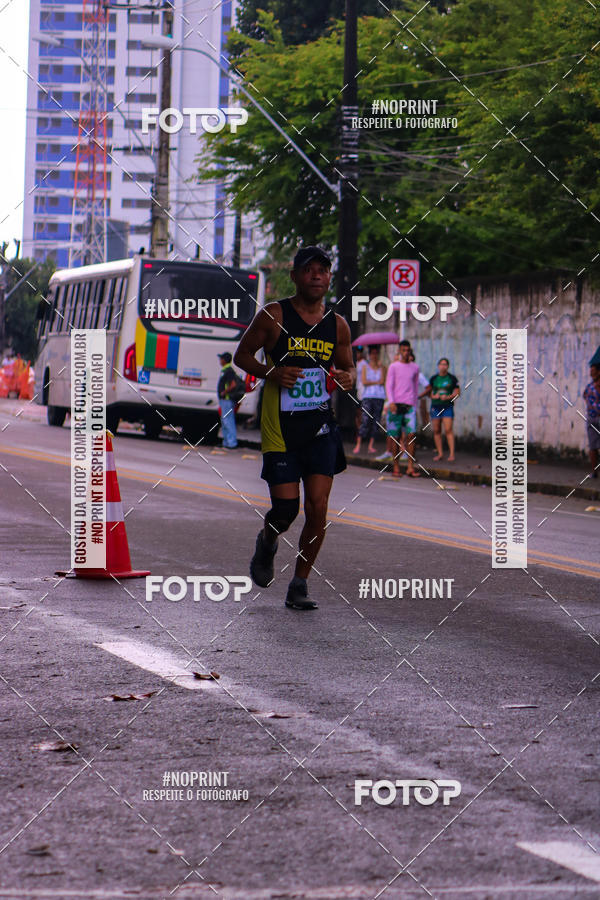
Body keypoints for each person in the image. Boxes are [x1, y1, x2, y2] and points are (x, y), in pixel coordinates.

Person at [234, 245, 355, 610]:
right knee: (286, 509)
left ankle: (299, 583)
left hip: (319, 427)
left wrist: (346, 378)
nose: (317, 275)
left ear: (329, 277)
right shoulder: (274, 315)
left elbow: (348, 369)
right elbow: (242, 355)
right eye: (309, 269)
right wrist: (273, 372)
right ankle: (268, 541)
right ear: (296, 276)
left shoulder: (337, 324)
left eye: (323, 270)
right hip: (280, 427)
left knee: (317, 508)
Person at [385, 340, 421, 477]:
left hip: (409, 406)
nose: (406, 353)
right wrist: (391, 402)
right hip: (396, 405)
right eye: (404, 350)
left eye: (408, 350)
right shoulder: (393, 366)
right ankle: (396, 467)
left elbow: (416, 386)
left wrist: (414, 404)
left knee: (411, 435)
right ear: (400, 351)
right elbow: (389, 385)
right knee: (395, 437)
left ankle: (410, 467)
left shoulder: (415, 367)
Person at [425, 357, 460, 462]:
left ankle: (452, 454)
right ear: (438, 366)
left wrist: (448, 397)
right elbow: (428, 392)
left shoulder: (452, 379)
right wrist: (433, 396)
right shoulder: (433, 379)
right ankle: (440, 453)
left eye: (445, 364)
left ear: (448, 366)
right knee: (437, 430)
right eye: (441, 364)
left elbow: (457, 393)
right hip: (436, 407)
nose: (443, 366)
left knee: (448, 429)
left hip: (447, 407)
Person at [353, 345, 386, 454]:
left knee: (376, 421)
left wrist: (374, 380)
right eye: (372, 353)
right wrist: (375, 382)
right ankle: (359, 444)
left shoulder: (382, 367)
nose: (374, 356)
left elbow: (382, 381)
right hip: (367, 396)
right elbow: (364, 381)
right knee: (365, 420)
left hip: (379, 396)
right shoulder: (365, 367)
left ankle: (371, 445)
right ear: (370, 355)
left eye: (376, 353)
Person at [216, 351, 240, 449]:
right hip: (224, 400)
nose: (220, 360)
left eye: (221, 358)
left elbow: (233, 384)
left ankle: (231, 443)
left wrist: (224, 392)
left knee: (228, 420)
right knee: (225, 420)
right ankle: (226, 442)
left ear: (224, 360)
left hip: (227, 399)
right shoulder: (225, 370)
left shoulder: (229, 371)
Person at [583, 363, 600, 478]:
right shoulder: (590, 386)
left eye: (593, 371)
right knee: (593, 447)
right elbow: (585, 396)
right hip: (591, 418)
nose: (591, 373)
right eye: (591, 371)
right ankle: (594, 472)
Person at [353, 346, 367, 446]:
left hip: (362, 391)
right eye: (357, 352)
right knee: (356, 414)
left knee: (361, 414)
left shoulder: (364, 364)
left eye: (360, 352)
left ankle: (361, 435)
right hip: (356, 390)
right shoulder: (354, 363)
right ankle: (359, 433)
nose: (358, 354)